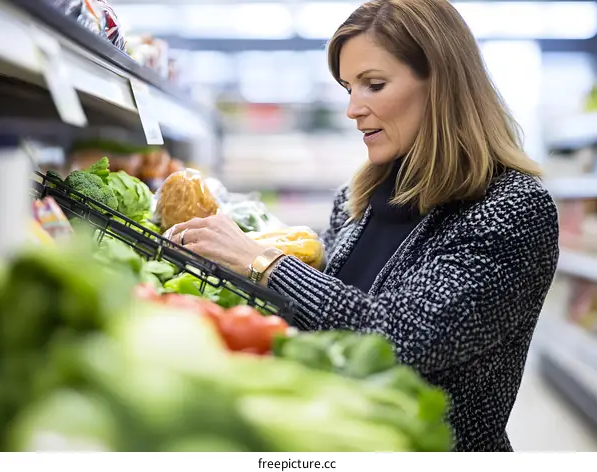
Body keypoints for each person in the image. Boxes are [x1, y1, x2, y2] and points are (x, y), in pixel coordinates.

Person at [168, 0, 560, 452]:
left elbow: (406, 339)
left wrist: (263, 262)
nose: (353, 109)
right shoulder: (354, 200)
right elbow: (329, 328)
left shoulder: (511, 207)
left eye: (373, 85)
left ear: (443, 84)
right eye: (347, 87)